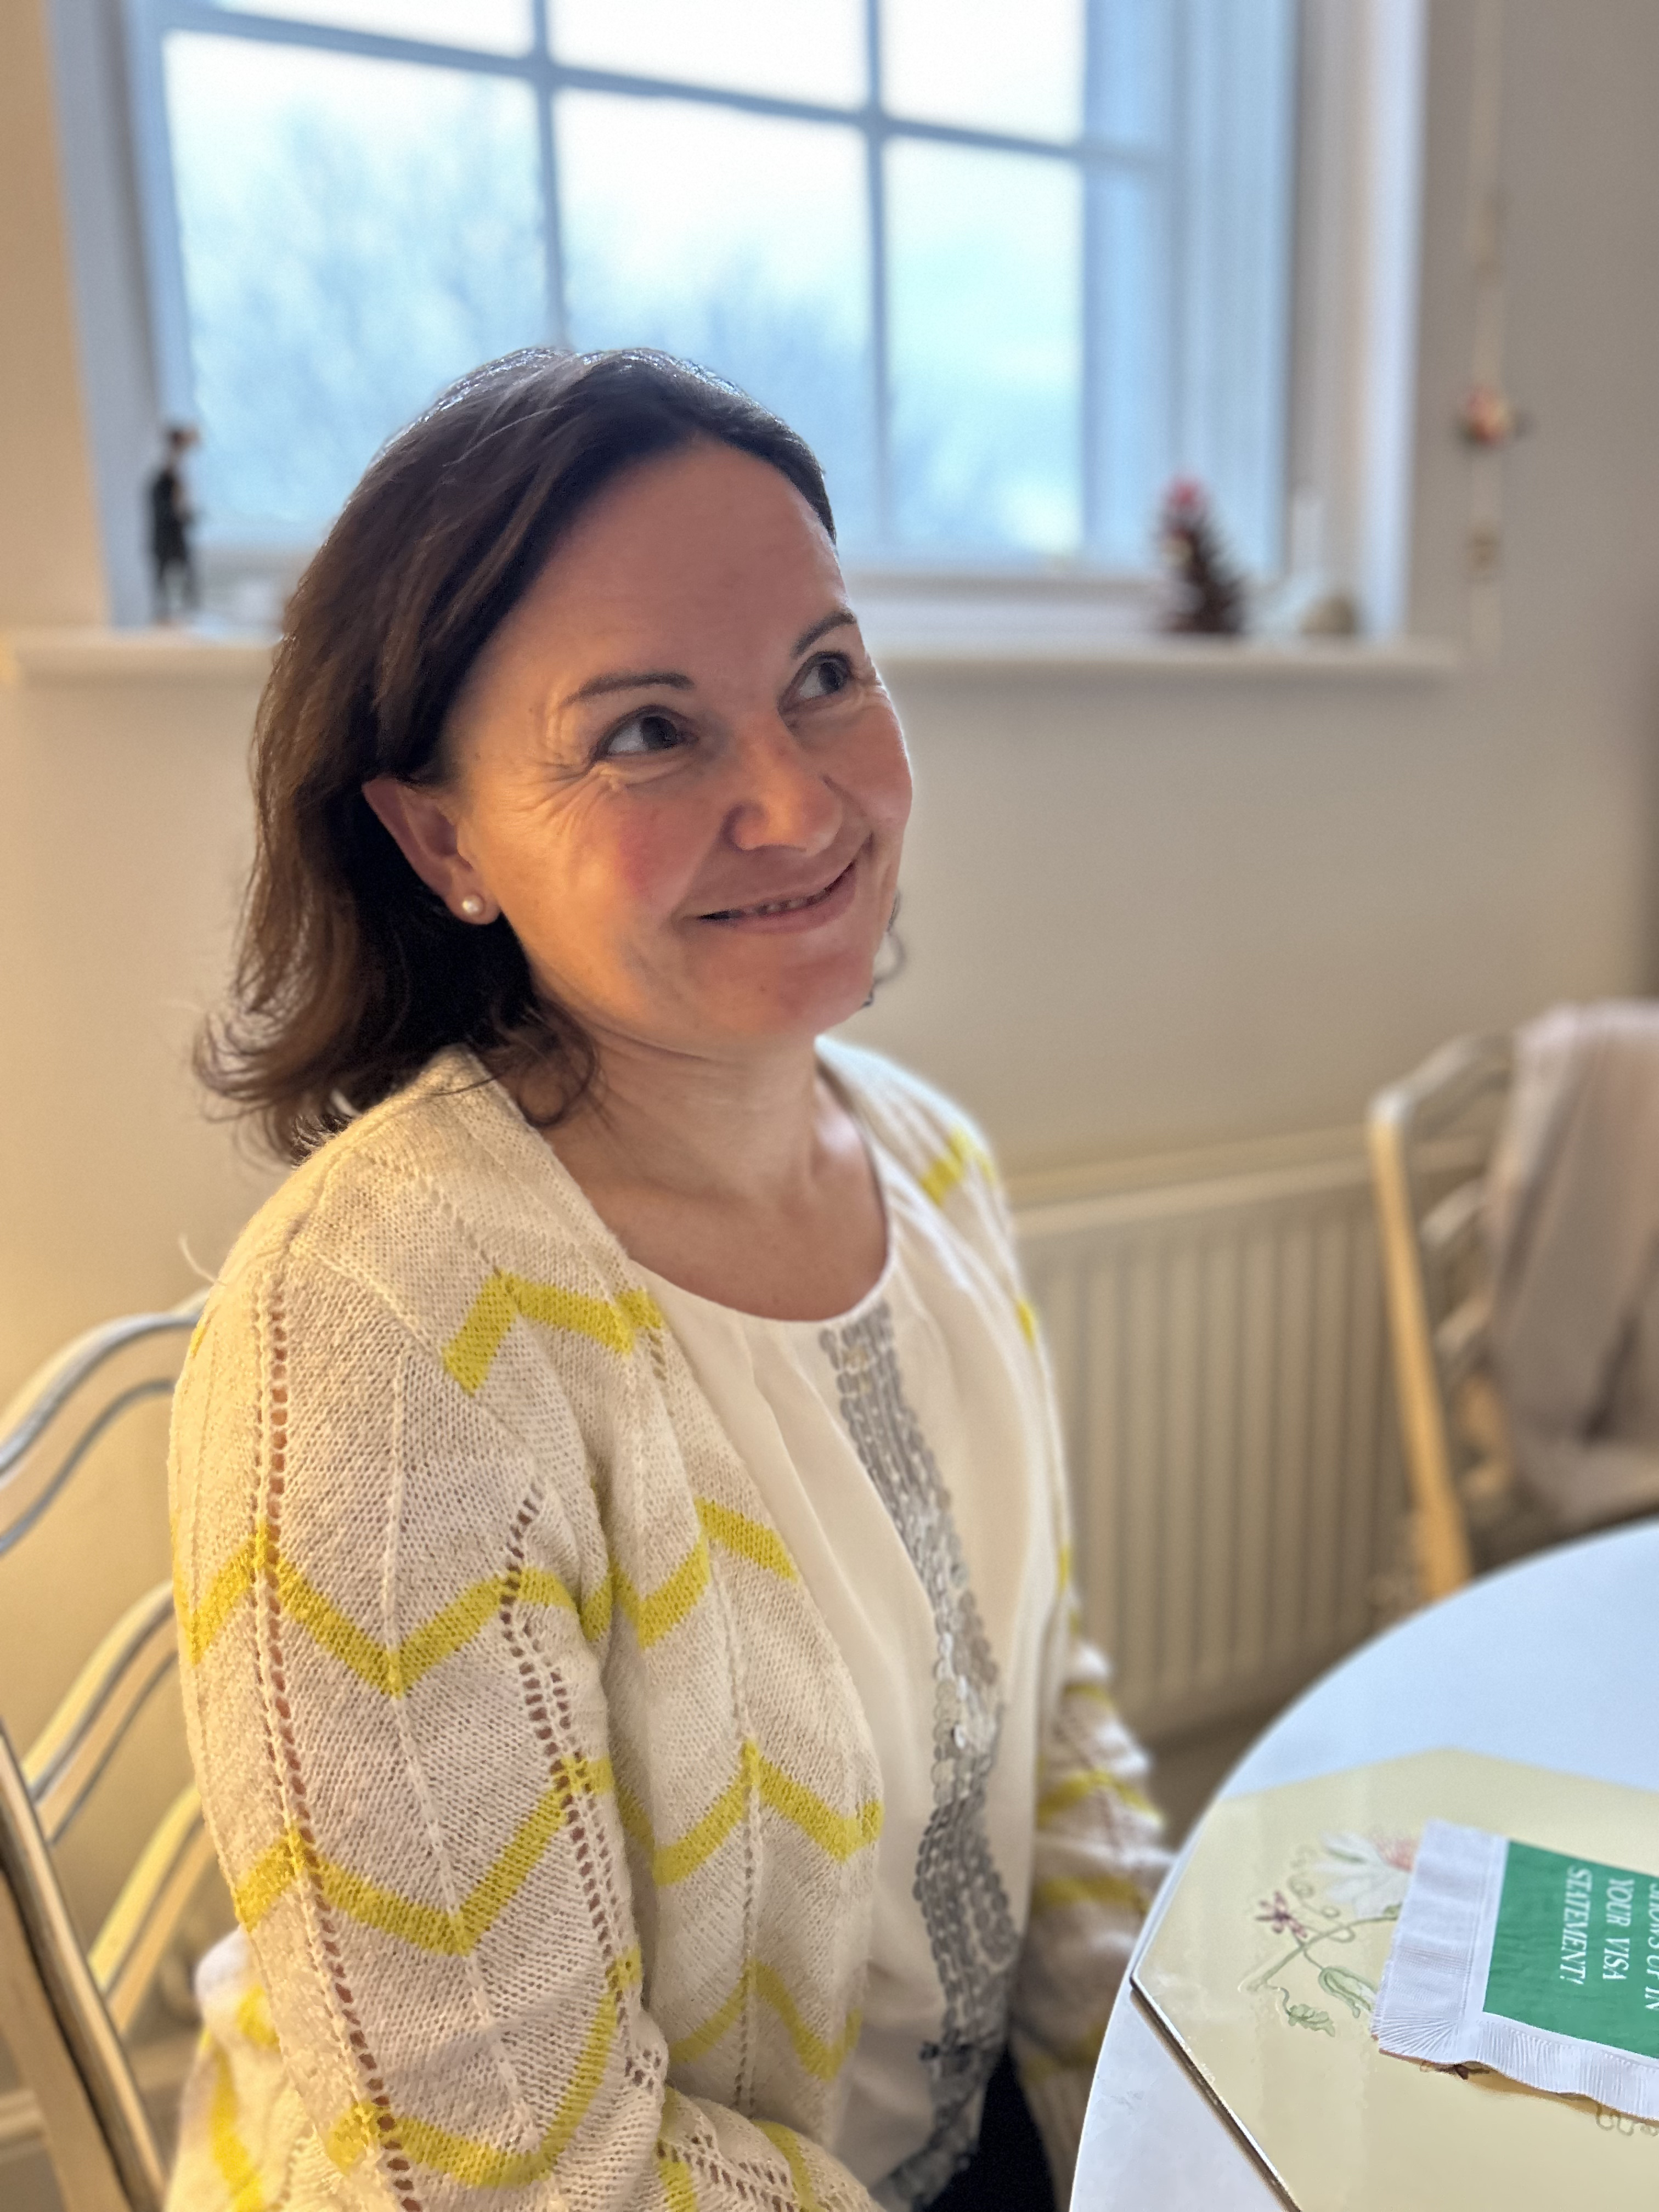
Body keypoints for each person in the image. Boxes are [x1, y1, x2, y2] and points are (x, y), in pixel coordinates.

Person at [167, 348, 1167, 2212]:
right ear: (441, 839)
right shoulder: (384, 1335)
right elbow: (512, 2175)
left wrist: (1161, 2089)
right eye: (644, 731)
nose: (796, 802)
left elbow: (1041, 1706)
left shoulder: (936, 1165)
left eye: (825, 674)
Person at [148, 422, 200, 619]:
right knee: (164, 583)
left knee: (186, 581)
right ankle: (166, 613)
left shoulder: (176, 481)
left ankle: (186, 612)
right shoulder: (161, 484)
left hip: (175, 537)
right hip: (165, 539)